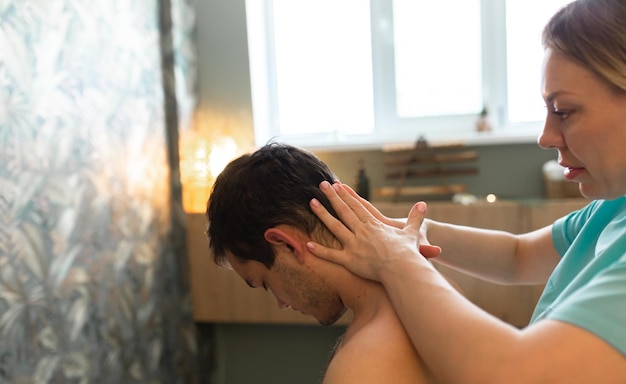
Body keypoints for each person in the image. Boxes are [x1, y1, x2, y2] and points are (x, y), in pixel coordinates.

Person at [305, 0, 626, 383]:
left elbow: (516, 373)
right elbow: (518, 257)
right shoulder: (611, 207)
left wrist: (396, 261)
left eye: (565, 111)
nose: (545, 136)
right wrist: (406, 232)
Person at [206, 143, 433, 383]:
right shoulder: (431, 299)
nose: (281, 303)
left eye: (265, 282)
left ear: (287, 245)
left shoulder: (363, 367)